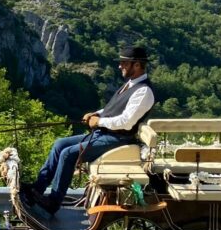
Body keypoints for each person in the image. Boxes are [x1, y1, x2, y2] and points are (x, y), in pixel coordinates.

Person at [21, 45, 155, 216]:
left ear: (137, 65)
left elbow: (126, 122)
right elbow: (112, 110)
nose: (120, 66)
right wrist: (96, 114)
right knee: (59, 143)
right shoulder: (130, 85)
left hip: (118, 139)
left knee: (68, 154)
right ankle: (37, 189)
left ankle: (53, 202)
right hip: (106, 133)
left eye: (124, 63)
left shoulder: (143, 91)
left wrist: (99, 121)